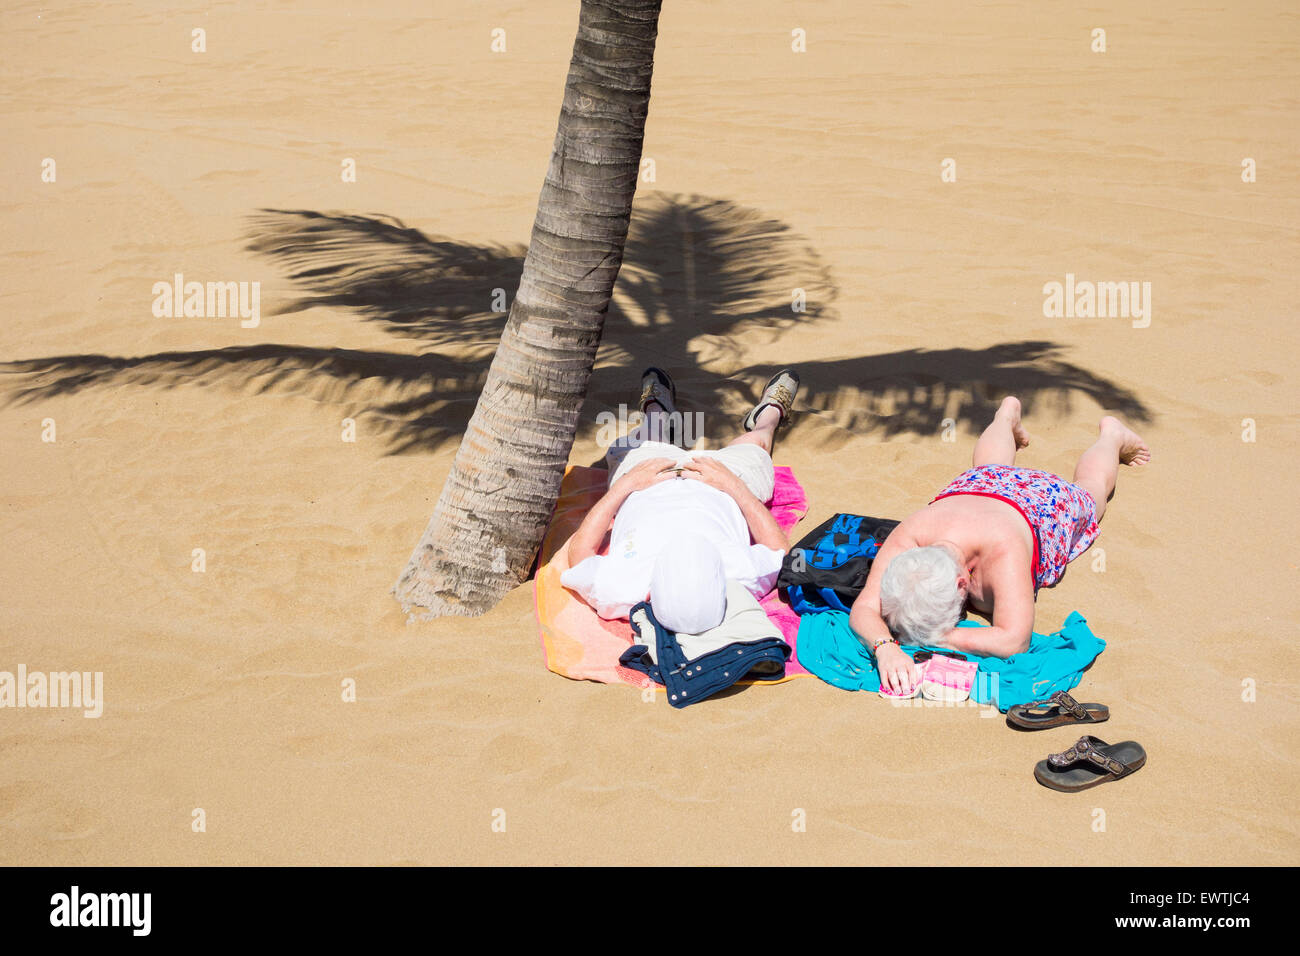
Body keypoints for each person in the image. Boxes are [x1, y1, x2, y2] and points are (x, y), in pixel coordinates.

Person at [848, 396, 1150, 694]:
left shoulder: (1003, 555)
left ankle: (1112, 437)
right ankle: (1006, 417)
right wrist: (885, 647)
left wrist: (933, 637)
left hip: (1045, 502)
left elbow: (1013, 640)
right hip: (982, 483)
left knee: (1091, 490)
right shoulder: (910, 536)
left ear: (962, 584)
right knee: (989, 465)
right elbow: (863, 608)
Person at [561, 367, 799, 635]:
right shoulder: (741, 574)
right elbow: (780, 552)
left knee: (648, 437)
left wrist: (627, 484)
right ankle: (769, 413)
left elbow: (580, 553)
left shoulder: (620, 590)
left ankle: (657, 411)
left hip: (646, 482)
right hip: (726, 484)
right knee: (756, 441)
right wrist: (733, 485)